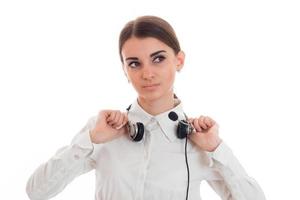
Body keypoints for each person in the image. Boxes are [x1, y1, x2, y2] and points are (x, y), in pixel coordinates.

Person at [26, 15, 266, 200]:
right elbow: (37, 191)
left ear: (179, 61)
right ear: (125, 70)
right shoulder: (102, 132)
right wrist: (91, 139)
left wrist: (216, 149)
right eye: (134, 63)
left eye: (158, 58)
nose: (147, 73)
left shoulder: (201, 141)